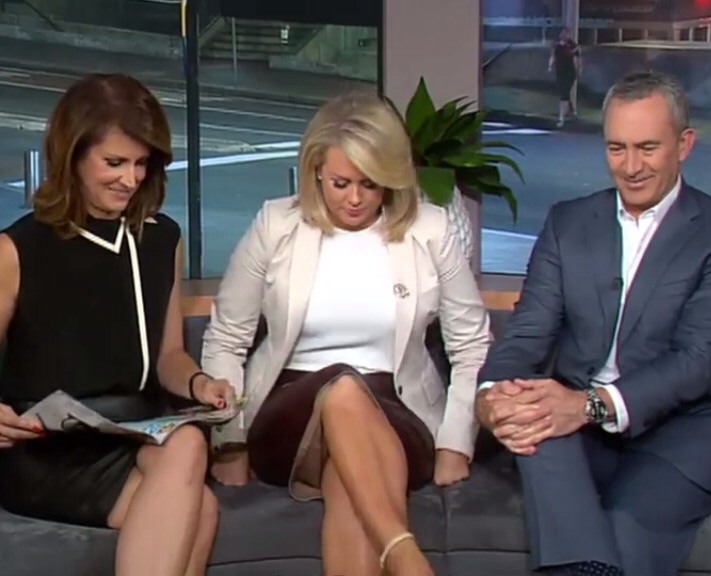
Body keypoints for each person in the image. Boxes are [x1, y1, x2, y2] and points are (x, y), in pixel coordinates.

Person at [0, 73, 232, 576]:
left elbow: (167, 358)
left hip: (132, 433)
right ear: (72, 156)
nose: (130, 179)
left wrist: (200, 384)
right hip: (45, 451)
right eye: (114, 163)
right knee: (199, 509)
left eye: (141, 163)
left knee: (187, 444)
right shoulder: (18, 249)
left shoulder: (162, 239)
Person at [475, 70, 711, 576]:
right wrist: (491, 396)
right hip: (581, 430)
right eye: (617, 148)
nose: (630, 167)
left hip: (683, 432)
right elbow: (527, 333)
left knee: (624, 528)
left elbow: (697, 361)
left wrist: (588, 405)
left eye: (647, 148)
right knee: (534, 422)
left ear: (684, 144)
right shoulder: (568, 223)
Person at [200, 90, 492, 576]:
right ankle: (405, 556)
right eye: (340, 183)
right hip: (290, 411)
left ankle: (401, 556)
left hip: (399, 412)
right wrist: (229, 443)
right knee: (342, 390)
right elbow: (227, 337)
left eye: (370, 184)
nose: (354, 199)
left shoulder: (430, 229)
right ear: (316, 170)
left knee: (348, 480)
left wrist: (454, 444)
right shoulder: (277, 224)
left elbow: (472, 344)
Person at [548, 27, 580, 128]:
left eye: (566, 33)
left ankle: (561, 118)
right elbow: (553, 56)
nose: (565, 35)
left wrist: (578, 71)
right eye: (563, 33)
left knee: (564, 95)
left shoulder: (572, 46)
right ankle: (572, 111)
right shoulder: (557, 45)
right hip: (560, 73)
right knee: (564, 93)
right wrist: (550, 66)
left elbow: (576, 59)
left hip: (569, 73)